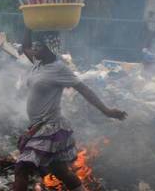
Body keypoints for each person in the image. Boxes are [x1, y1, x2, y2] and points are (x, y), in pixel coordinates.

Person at [14, 28, 127, 191]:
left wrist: (107, 111)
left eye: (39, 46)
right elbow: (25, 47)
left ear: (49, 50)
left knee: (22, 168)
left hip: (50, 127)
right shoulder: (38, 64)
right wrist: (28, 27)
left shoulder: (59, 68)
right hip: (37, 126)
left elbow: (84, 89)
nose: (34, 48)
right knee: (60, 171)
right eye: (36, 45)